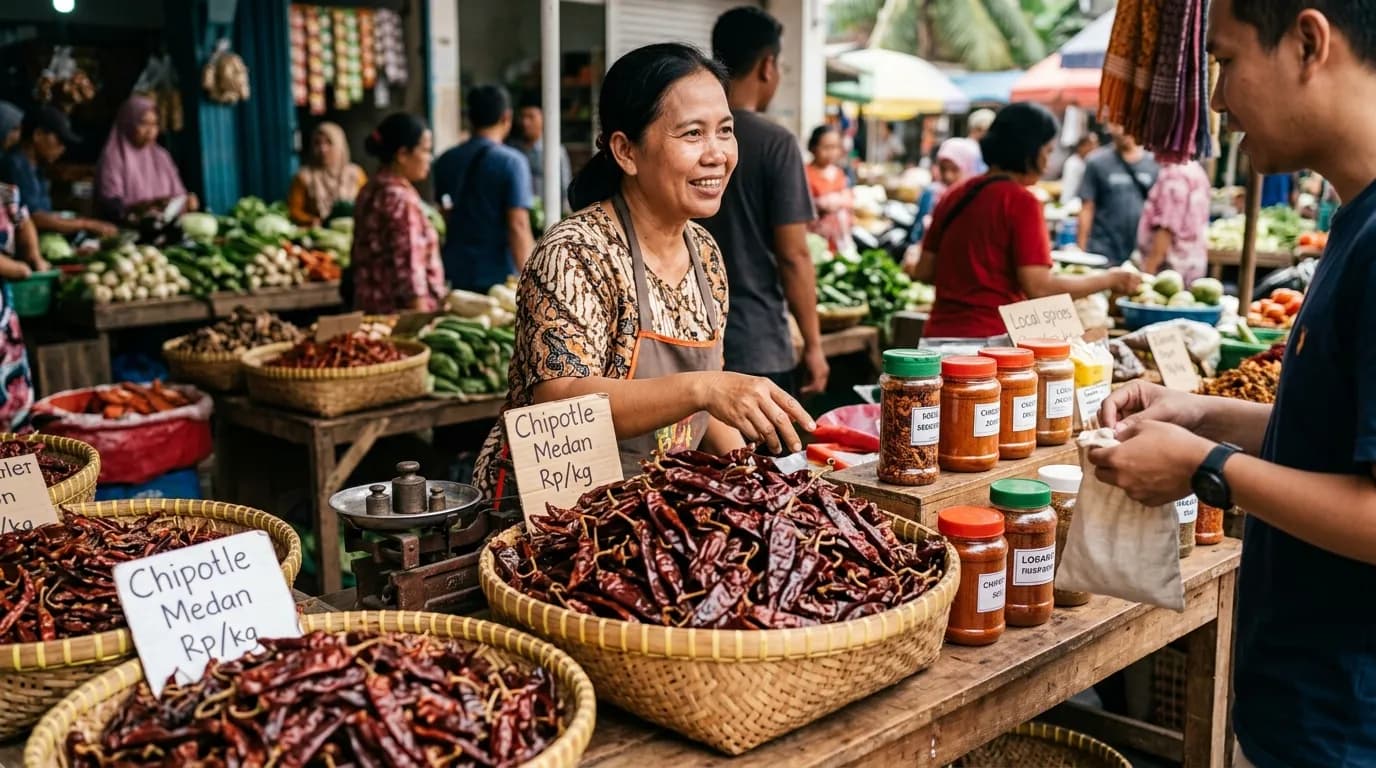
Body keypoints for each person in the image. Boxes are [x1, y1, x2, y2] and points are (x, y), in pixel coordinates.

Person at [1091, 3, 1376, 766]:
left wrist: (1205, 467)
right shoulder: (1356, 222)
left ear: (1309, 43)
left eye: (1224, 60)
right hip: (1307, 714)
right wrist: (1201, 414)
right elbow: (1333, 438)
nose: (1215, 99)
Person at [470, 43, 815, 500]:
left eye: (725, 131)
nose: (716, 154)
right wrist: (702, 388)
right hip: (547, 513)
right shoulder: (576, 253)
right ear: (626, 151)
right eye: (693, 134)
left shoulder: (704, 253)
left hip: (643, 510)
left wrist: (755, 485)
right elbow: (557, 400)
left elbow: (707, 411)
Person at [907, 103, 1139, 338]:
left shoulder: (954, 195)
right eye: (1047, 151)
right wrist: (1109, 279)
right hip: (988, 342)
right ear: (1030, 151)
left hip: (937, 337)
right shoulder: (1022, 202)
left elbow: (924, 271)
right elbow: (1040, 287)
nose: (1048, 163)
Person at [703, 6, 828, 396]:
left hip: (693, 343)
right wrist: (814, 345)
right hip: (757, 344)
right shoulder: (775, 142)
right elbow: (794, 255)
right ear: (767, 66)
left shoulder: (688, 137)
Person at [432, 85, 535, 293]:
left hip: (455, 272)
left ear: (469, 119)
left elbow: (444, 214)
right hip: (498, 278)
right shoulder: (512, 163)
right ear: (506, 117)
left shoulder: (445, 160)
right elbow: (518, 226)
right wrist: (534, 283)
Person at [349, 113, 445, 314]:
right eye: (425, 150)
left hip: (369, 309)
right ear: (402, 155)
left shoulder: (369, 189)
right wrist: (420, 315)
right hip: (399, 316)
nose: (429, 158)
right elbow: (410, 268)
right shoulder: (401, 199)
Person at [0, 106, 115, 238]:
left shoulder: (36, 167)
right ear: (38, 135)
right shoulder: (16, 166)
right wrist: (85, 224)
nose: (62, 148)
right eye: (60, 140)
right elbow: (32, 218)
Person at [95, 96, 198, 221]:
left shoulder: (161, 156)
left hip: (164, 225)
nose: (151, 131)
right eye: (143, 123)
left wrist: (187, 201)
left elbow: (178, 195)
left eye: (155, 124)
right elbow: (112, 205)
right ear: (127, 123)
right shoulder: (113, 158)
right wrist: (149, 206)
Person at [1076, 125, 1158, 265]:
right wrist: (1081, 251)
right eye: (1117, 124)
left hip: (1139, 252)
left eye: (1127, 123)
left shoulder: (1154, 163)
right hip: (1102, 249)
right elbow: (1087, 207)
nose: (1122, 130)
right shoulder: (1096, 162)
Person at [1136, 161, 1211, 284]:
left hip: (1170, 270)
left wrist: (1148, 271)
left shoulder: (1174, 176)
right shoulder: (1196, 170)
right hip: (1191, 265)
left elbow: (1167, 227)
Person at [287, 122, 366, 226]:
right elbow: (293, 211)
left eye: (329, 142)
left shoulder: (355, 174)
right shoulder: (303, 177)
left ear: (340, 145)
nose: (322, 149)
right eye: (317, 143)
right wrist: (312, 221)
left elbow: (367, 205)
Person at [908, 137, 982, 246]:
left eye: (954, 169)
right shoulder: (931, 194)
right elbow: (915, 236)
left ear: (969, 168)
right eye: (943, 169)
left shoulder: (978, 201)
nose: (948, 176)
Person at [510, 94, 572, 216]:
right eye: (522, 116)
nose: (525, 122)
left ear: (543, 117)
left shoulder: (556, 151)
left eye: (531, 117)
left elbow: (565, 189)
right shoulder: (513, 151)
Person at [804, 125, 854, 253]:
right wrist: (819, 203)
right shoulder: (805, 173)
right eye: (826, 147)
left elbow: (848, 199)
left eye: (835, 147)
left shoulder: (839, 173)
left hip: (836, 241)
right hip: (813, 238)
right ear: (813, 148)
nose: (831, 152)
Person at [1059, 133, 1099, 204]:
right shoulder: (1073, 163)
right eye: (1090, 144)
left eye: (1096, 144)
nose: (1094, 148)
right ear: (1080, 147)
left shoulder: (1092, 162)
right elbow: (1069, 190)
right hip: (1072, 203)